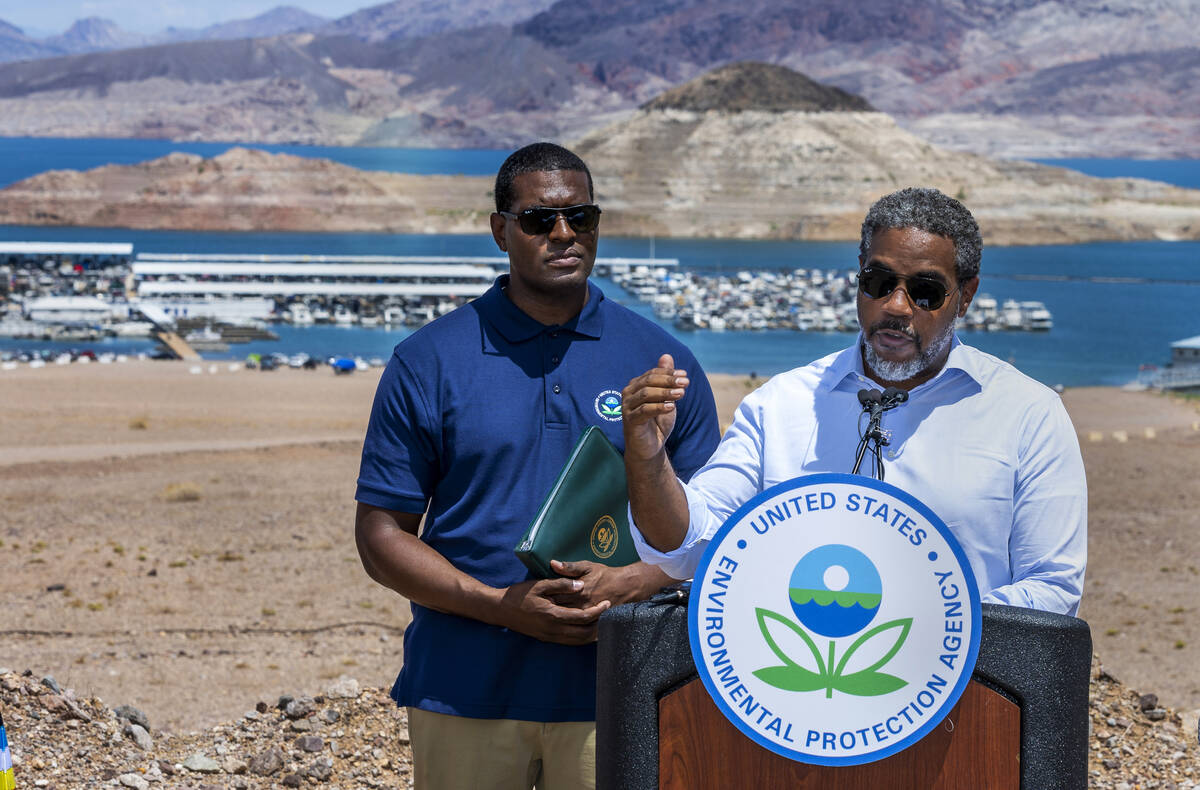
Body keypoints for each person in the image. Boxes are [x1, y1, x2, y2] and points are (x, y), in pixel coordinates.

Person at [354, 142, 720, 789]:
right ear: (500, 230)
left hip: (620, 689)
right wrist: (501, 605)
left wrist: (636, 580)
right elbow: (382, 536)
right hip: (464, 691)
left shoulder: (663, 362)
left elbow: (718, 532)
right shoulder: (429, 360)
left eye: (581, 218)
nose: (563, 234)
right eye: (539, 220)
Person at [622, 187, 1086, 615]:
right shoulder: (780, 406)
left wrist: (918, 630)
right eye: (879, 281)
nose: (897, 307)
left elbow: (1051, 586)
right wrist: (647, 457)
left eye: (925, 291)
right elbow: (685, 547)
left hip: (959, 698)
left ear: (964, 296)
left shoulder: (1029, 415)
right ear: (858, 277)